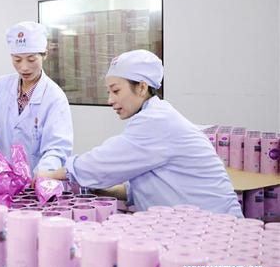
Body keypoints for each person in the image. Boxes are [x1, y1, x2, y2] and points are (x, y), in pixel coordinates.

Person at [37, 49, 243, 217]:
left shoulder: (157, 121)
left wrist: (47, 175)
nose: (110, 100)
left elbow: (103, 162)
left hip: (215, 226)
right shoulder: (151, 117)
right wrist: (95, 189)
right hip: (194, 225)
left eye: (116, 91)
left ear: (142, 88)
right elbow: (140, 185)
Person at [0, 21, 73, 175]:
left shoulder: (54, 97)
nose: (24, 67)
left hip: (35, 183)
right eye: (17, 59)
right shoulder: (2, 85)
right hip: (4, 177)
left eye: (31, 59)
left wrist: (44, 173)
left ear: (44, 55)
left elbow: (57, 148)